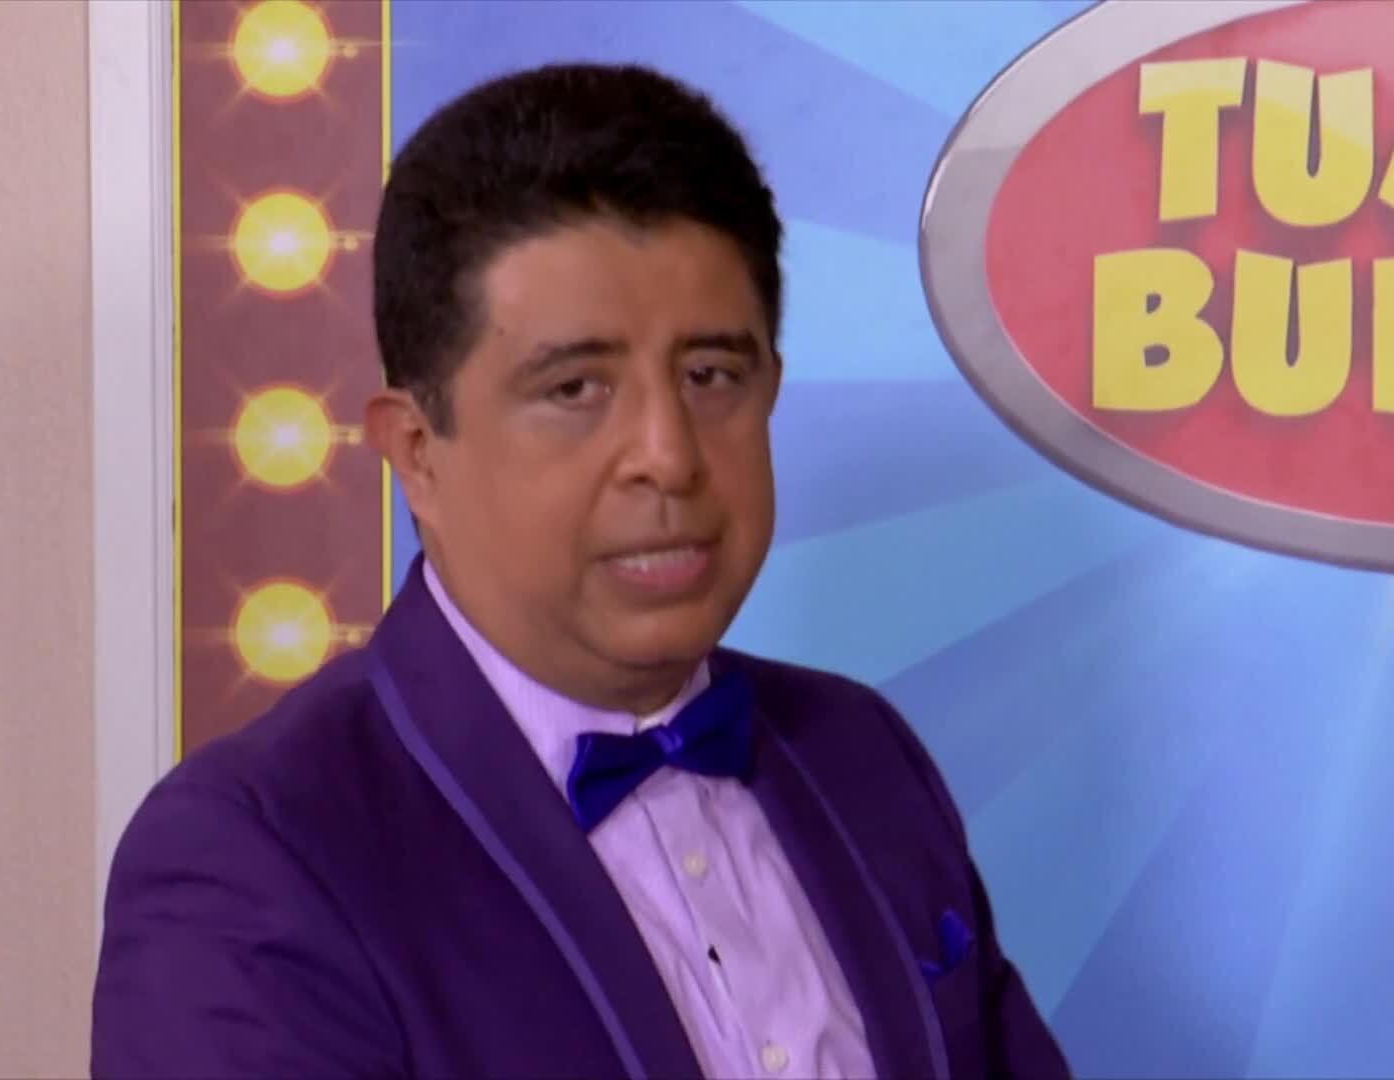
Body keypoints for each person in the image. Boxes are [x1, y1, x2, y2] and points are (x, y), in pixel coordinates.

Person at [91, 62, 1073, 1080]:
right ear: (417, 452)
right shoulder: (257, 857)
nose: (669, 455)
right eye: (576, 389)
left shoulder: (861, 753)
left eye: (710, 376)